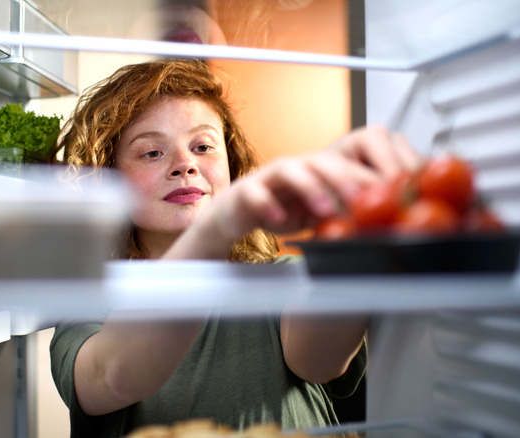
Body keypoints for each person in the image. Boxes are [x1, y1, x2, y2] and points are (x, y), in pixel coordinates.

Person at [48, 59, 419, 437]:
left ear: (232, 165)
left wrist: (353, 217)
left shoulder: (279, 276)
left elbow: (318, 361)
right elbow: (110, 378)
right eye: (151, 153)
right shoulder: (92, 297)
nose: (185, 164)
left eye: (203, 146)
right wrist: (220, 223)